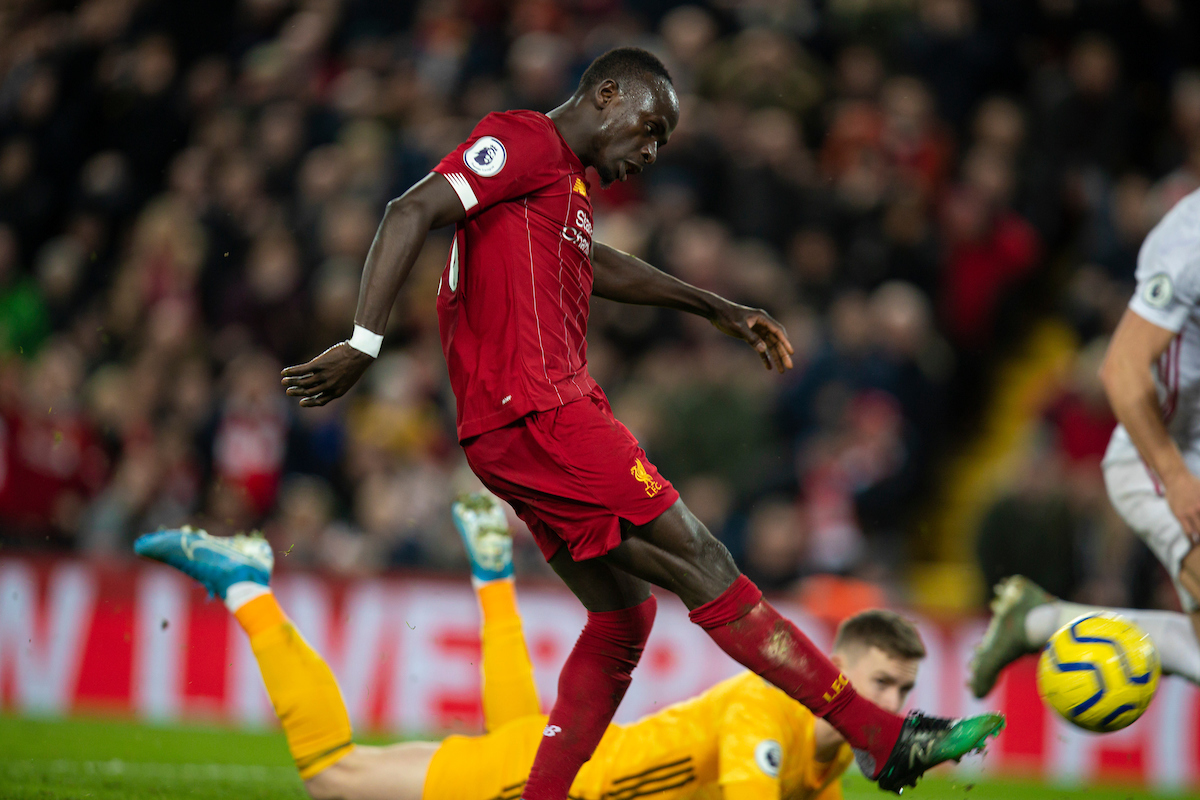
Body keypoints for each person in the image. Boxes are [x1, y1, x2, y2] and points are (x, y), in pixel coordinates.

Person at [280, 46, 1002, 797]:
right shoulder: (525, 139)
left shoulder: (565, 190)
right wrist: (364, 341)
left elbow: (597, 264)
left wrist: (715, 306)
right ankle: (881, 736)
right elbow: (412, 207)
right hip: (542, 411)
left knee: (624, 621)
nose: (651, 152)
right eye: (649, 128)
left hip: (514, 428)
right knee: (707, 566)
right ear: (607, 95)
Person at [133, 494, 961, 800]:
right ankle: (247, 586)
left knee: (514, 733)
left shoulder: (821, 769)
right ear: (836, 672)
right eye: (882, 685)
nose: (889, 708)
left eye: (902, 691)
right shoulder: (763, 711)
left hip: (559, 765)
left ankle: (494, 572)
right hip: (556, 784)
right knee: (331, 777)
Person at [970, 187, 1200, 696]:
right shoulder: (1189, 240)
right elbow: (1120, 369)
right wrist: (1178, 477)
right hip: (1165, 459)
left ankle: (1041, 622)